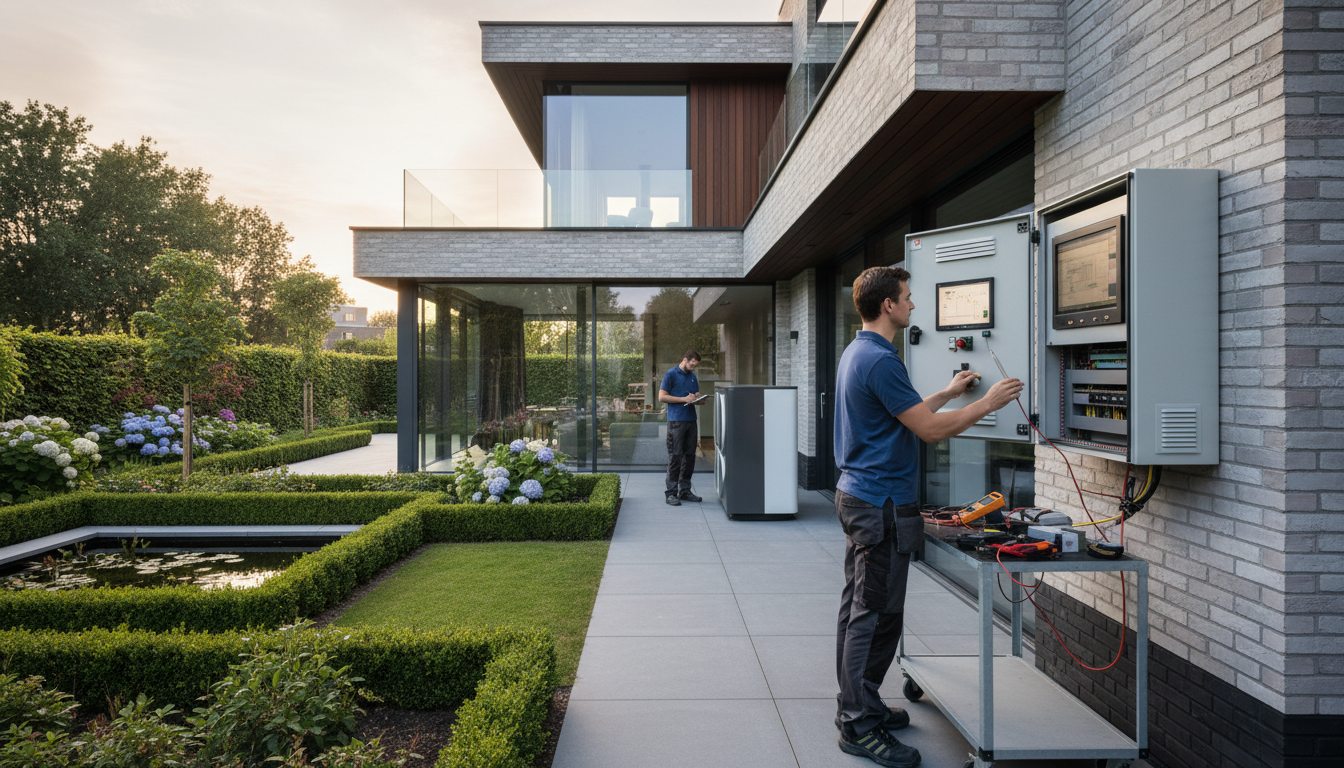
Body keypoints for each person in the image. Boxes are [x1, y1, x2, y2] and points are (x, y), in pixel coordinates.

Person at [833, 266, 1023, 767]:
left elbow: (906, 411)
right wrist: (986, 403)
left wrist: (948, 393)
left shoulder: (861, 352)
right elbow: (930, 432)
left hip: (863, 497)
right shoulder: (880, 360)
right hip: (880, 505)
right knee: (873, 616)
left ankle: (863, 703)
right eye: (908, 298)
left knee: (863, 610)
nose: (914, 305)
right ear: (888, 305)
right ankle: (857, 725)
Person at [658, 350, 702, 506]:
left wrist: (698, 398)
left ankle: (684, 490)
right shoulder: (670, 374)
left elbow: (695, 393)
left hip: (691, 420)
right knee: (676, 457)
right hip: (676, 421)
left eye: (695, 365)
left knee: (690, 457)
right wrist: (683, 399)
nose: (693, 367)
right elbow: (662, 396)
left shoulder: (692, 376)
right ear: (685, 360)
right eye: (692, 364)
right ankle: (670, 493)